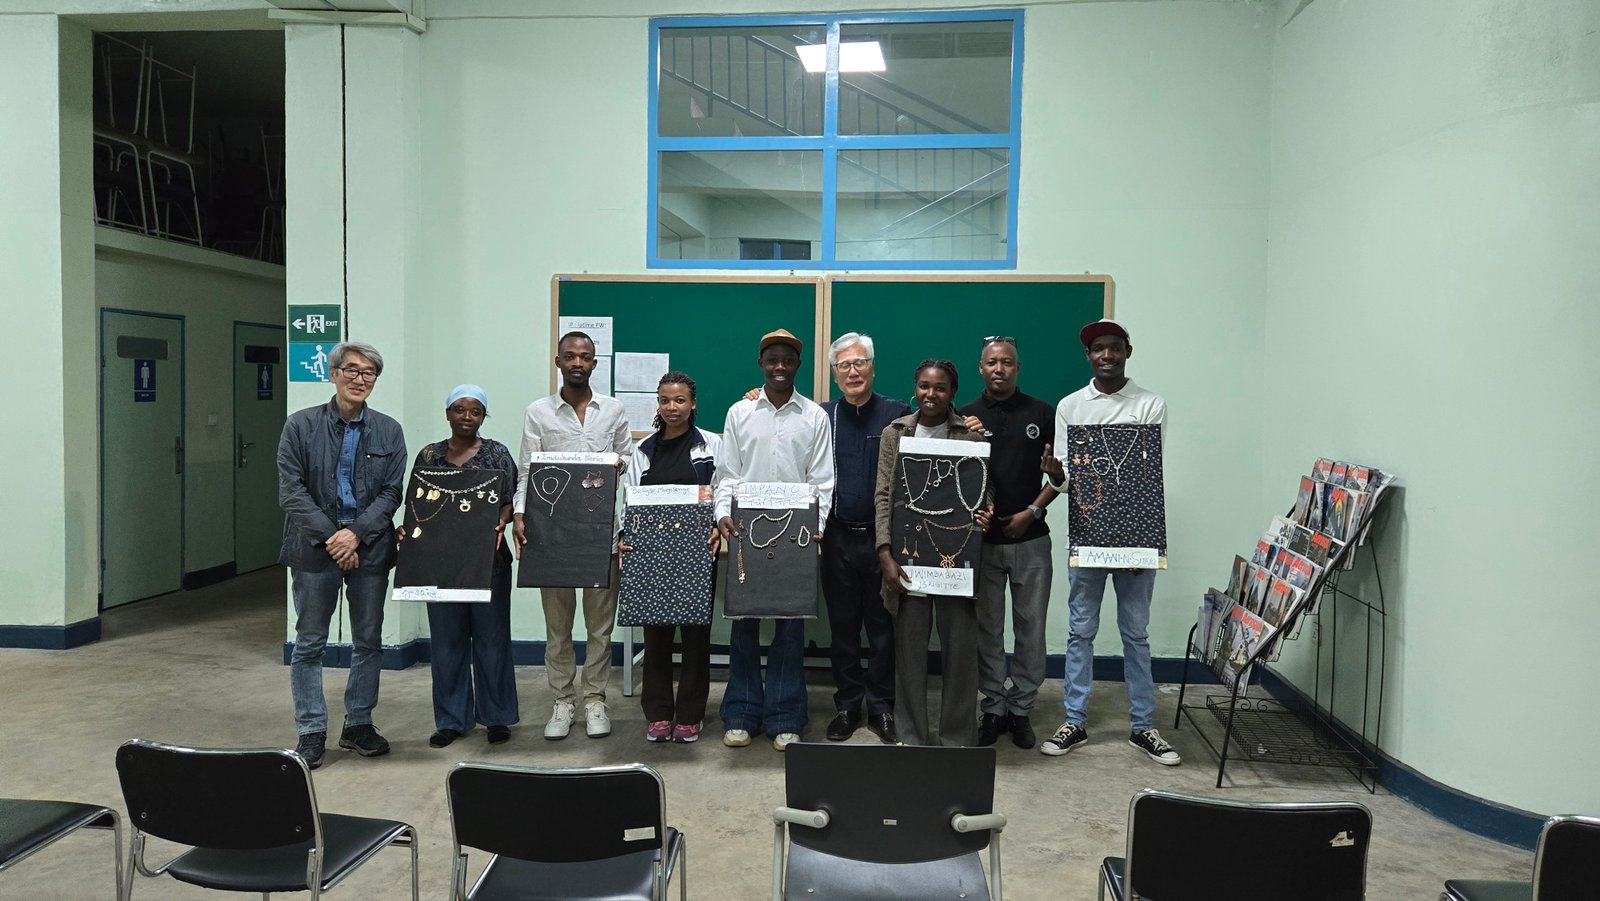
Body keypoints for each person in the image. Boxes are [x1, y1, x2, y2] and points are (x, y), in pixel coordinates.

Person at [1040, 319, 1181, 765]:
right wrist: (1055, 473)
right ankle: (1075, 720)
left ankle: (1143, 726)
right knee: (1080, 630)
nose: (1106, 355)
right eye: (1098, 348)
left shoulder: (1150, 404)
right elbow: (1064, 481)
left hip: (1137, 535)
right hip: (1088, 535)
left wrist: (1142, 544)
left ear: (1128, 351)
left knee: (1135, 633)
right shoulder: (1070, 406)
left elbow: (1145, 476)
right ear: (1088, 355)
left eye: (1114, 347)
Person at [277, 341, 406, 769]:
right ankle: (311, 730)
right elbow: (291, 492)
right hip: (314, 550)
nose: (359, 379)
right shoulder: (300, 425)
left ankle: (359, 724)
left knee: (368, 641)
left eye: (369, 373)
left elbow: (391, 493)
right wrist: (336, 537)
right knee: (310, 643)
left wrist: (356, 536)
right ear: (333, 374)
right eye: (351, 370)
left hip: (369, 550)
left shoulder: (389, 430)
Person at [714, 328, 835, 751]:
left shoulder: (815, 417)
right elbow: (727, 474)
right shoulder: (739, 413)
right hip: (747, 531)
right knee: (744, 626)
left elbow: (822, 479)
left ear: (798, 365)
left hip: (797, 535)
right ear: (761, 364)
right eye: (772, 360)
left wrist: (818, 524)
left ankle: (786, 717)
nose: (780, 366)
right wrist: (722, 515)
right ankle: (742, 713)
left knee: (789, 627)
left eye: (788, 359)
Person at [512, 331, 635, 740]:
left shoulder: (614, 410)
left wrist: (623, 515)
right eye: (570, 356)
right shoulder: (538, 412)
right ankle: (562, 702)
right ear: (558, 362)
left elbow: (628, 466)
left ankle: (595, 699)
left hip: (601, 531)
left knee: (600, 625)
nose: (577, 362)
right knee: (558, 625)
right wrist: (519, 513)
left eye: (585, 357)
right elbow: (528, 468)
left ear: (595, 363)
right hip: (552, 532)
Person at [875, 360, 992, 747]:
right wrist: (885, 552)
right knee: (909, 654)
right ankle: (911, 735)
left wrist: (986, 513)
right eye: (924, 386)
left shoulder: (973, 438)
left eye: (940, 388)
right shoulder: (895, 433)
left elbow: (983, 494)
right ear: (915, 387)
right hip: (908, 562)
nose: (931, 394)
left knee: (960, 653)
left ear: (952, 393)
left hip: (956, 560)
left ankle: (958, 738)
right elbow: (883, 497)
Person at [957, 337, 1059, 750]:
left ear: (1018, 368)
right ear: (980, 368)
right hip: (982, 544)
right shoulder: (964, 415)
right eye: (992, 363)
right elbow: (953, 481)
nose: (999, 369)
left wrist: (1031, 512)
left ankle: (1022, 709)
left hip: (1031, 538)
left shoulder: (1042, 412)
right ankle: (994, 707)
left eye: (1008, 363)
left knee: (1031, 628)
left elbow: (1060, 475)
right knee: (987, 629)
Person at [407, 385, 518, 748]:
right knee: (447, 642)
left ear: (484, 416)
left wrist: (502, 521)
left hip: (489, 563)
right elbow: (417, 503)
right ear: (447, 413)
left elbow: (511, 499)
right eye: (459, 409)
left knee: (492, 640)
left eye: (474, 411)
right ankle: (452, 720)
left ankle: (497, 717)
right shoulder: (429, 456)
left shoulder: (497, 454)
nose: (466, 417)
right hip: (440, 565)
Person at [818, 333, 911, 745]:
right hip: (836, 538)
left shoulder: (899, 415)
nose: (852, 371)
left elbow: (942, 434)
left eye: (860, 363)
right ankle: (846, 705)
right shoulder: (821, 417)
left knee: (882, 629)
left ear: (872, 367)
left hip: (882, 542)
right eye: (844, 365)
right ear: (834, 373)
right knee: (842, 628)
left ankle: (881, 708)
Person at [624, 371, 722, 743]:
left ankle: (691, 714)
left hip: (696, 552)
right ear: (658, 404)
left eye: (679, 400)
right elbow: (629, 498)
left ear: (692, 404)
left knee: (696, 634)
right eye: (665, 400)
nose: (672, 407)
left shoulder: (711, 446)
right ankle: (659, 713)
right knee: (656, 634)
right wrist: (625, 537)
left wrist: (717, 525)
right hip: (650, 552)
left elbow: (723, 487)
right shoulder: (645, 449)